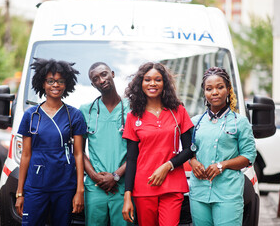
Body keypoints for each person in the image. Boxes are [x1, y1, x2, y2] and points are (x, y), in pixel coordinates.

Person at [15, 58, 86, 226]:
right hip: (36, 186)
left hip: (64, 186)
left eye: (60, 81)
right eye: (51, 81)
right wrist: (20, 192)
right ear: (42, 83)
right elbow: (26, 155)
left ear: (66, 84)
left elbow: (78, 154)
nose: (56, 85)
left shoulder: (74, 115)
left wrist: (79, 190)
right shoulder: (31, 115)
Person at [122, 62, 194, 226]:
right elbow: (131, 159)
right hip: (144, 187)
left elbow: (190, 149)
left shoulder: (178, 111)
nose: (152, 83)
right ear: (140, 83)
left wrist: (168, 165)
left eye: (158, 79)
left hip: (173, 185)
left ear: (165, 84)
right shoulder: (133, 117)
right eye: (147, 79)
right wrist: (127, 196)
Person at [189, 67, 256, 226]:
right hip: (199, 193)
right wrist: (193, 162)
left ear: (228, 90)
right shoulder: (195, 122)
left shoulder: (239, 122)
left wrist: (222, 165)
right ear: (204, 93)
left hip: (228, 194)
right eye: (209, 89)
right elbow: (188, 151)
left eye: (220, 87)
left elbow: (249, 157)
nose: (214, 92)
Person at [79, 62, 132, 226]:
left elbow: (137, 151)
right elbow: (79, 152)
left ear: (113, 74)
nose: (101, 80)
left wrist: (115, 176)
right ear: (93, 84)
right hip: (95, 187)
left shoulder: (132, 108)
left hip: (123, 185)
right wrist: (95, 177)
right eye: (95, 78)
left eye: (104, 74)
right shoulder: (86, 110)